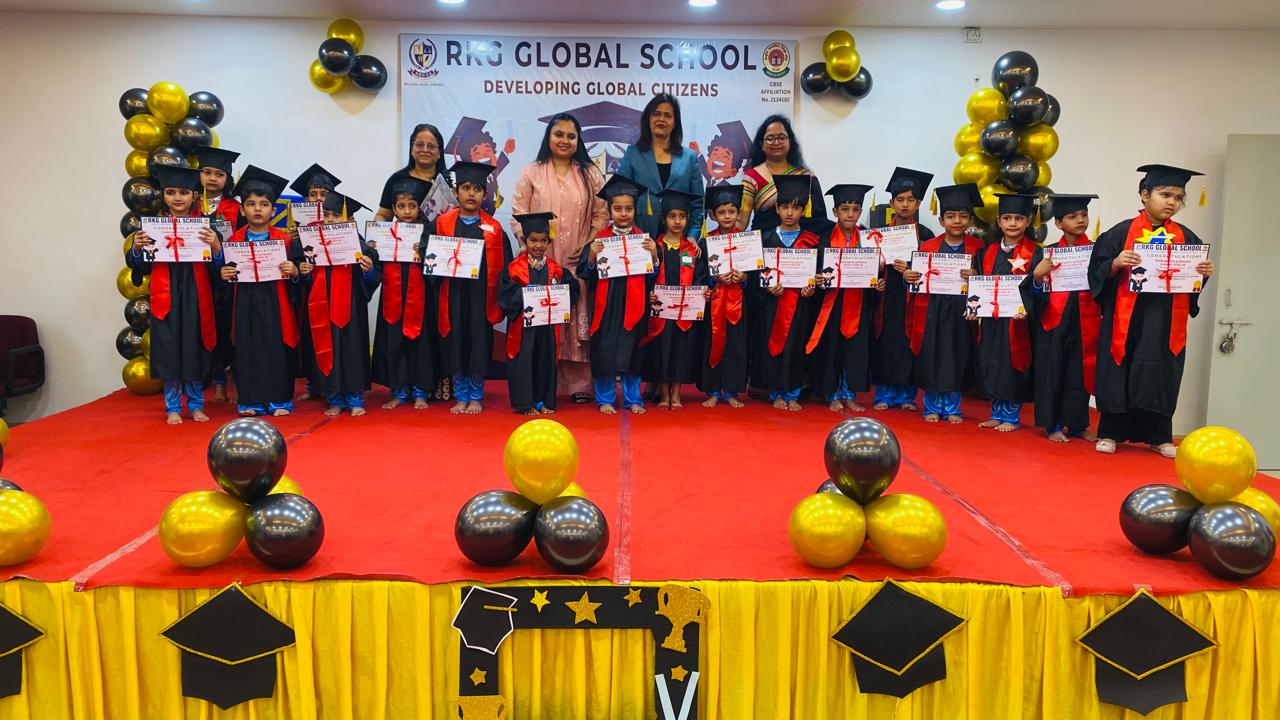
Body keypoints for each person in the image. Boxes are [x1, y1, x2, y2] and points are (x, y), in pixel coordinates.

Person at [1088, 165, 1215, 457]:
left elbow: (1191, 283)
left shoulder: (1187, 238)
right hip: (1125, 318)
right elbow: (1096, 273)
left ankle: (1159, 436)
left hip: (1164, 320)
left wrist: (1203, 273)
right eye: (1165, 194)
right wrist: (1115, 264)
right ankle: (1110, 433)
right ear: (1145, 195)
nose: (1172, 202)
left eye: (1178, 197)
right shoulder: (1120, 234)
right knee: (1120, 370)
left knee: (1160, 373)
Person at [509, 112, 609, 404]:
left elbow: (601, 214)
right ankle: (543, 382)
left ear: (578, 140)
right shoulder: (532, 172)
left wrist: (590, 243)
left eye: (571, 136)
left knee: (577, 316)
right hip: (540, 262)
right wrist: (532, 246)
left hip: (578, 261)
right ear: (548, 137)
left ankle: (579, 385)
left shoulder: (590, 174)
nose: (564, 140)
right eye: (559, 134)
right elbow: (518, 214)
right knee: (543, 319)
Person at [126, 165, 221, 424]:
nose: (177, 198)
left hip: (195, 294)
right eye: (170, 192)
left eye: (183, 192)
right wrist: (137, 248)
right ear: (163, 196)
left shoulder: (206, 227)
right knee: (169, 350)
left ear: (194, 196)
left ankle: (196, 404)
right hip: (165, 295)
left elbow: (219, 266)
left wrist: (215, 245)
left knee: (194, 349)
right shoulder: (152, 228)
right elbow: (140, 266)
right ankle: (172, 407)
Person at [427, 161, 512, 415]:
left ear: (484, 194)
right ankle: (460, 394)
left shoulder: (493, 228)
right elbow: (430, 258)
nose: (471, 193)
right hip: (452, 294)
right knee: (455, 343)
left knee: (478, 344)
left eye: (477, 189)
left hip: (480, 297)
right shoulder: (442, 223)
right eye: (465, 188)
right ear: (456, 192)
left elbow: (504, 265)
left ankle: (475, 395)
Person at [217, 166, 301, 417]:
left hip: (276, 300)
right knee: (247, 348)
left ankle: (279, 399)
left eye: (264, 204)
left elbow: (299, 274)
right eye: (251, 204)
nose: (257, 209)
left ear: (273, 211)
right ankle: (250, 401)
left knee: (276, 347)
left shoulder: (286, 241)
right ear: (242, 210)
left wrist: (294, 270)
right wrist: (224, 275)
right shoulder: (233, 241)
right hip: (244, 301)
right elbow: (224, 279)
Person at [578, 174, 660, 415]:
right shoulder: (599, 241)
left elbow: (652, 277)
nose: (623, 214)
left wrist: (654, 256)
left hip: (635, 303)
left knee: (634, 350)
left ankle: (633, 398)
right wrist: (591, 257)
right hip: (608, 304)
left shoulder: (644, 241)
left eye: (628, 209)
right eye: (617, 209)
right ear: (609, 210)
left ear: (635, 210)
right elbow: (585, 274)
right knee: (604, 351)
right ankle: (605, 398)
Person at [1024, 193, 1102, 442]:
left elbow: (1105, 284)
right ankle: (1053, 425)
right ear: (1058, 223)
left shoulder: (1096, 252)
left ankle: (1077, 425)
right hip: (1054, 320)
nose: (1080, 220)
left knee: (1078, 371)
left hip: (1085, 318)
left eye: (1084, 215)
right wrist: (1037, 276)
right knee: (1052, 370)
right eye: (1072, 216)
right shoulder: (1047, 253)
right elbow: (1032, 291)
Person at [905, 184, 983, 424]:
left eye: (963, 216)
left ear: (970, 219)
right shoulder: (927, 246)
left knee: (957, 355)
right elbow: (915, 280)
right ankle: (931, 405)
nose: (957, 221)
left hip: (962, 310)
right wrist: (909, 276)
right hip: (933, 308)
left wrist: (976, 276)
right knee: (932, 354)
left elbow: (986, 282)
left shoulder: (978, 248)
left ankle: (952, 407)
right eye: (950, 216)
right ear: (941, 220)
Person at [806, 184, 881, 413]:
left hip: (858, 301)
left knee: (855, 350)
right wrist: (818, 278)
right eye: (845, 209)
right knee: (832, 349)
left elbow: (877, 269)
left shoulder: (869, 238)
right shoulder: (824, 238)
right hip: (833, 302)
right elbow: (815, 269)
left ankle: (849, 394)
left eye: (855, 210)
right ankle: (832, 394)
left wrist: (878, 281)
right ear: (835, 211)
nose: (850, 214)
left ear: (860, 212)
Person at [305, 192, 379, 416]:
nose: (329, 220)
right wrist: (305, 270)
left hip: (352, 309)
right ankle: (334, 398)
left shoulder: (362, 248)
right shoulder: (314, 243)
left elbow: (373, 279)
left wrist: (368, 270)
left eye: (336, 215)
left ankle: (355, 398)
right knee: (328, 348)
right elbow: (307, 278)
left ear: (350, 220)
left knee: (353, 350)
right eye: (326, 214)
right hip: (324, 304)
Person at [750, 174, 819, 411]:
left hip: (800, 305)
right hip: (772, 304)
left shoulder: (812, 241)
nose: (790, 213)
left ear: (803, 210)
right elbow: (755, 274)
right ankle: (775, 392)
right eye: (785, 207)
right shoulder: (765, 239)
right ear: (777, 209)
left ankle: (793, 392)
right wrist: (766, 285)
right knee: (772, 345)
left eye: (796, 208)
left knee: (796, 347)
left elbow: (818, 275)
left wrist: (812, 288)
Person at [499, 212, 580, 414]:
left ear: (548, 242)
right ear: (525, 240)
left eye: (543, 240)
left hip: (546, 326)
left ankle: (543, 401)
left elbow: (571, 291)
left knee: (545, 360)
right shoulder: (514, 269)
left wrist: (559, 295)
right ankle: (525, 403)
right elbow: (506, 296)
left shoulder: (556, 270)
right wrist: (525, 293)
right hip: (523, 328)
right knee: (525, 361)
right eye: (533, 240)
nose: (538, 245)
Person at [871, 167, 935, 411]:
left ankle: (907, 396)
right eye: (900, 199)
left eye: (910, 200)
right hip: (886, 295)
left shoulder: (927, 236)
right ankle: (884, 394)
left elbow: (933, 271)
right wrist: (876, 275)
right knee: (886, 341)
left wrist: (910, 272)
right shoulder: (879, 234)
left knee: (909, 341)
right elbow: (866, 267)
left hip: (912, 297)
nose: (905, 205)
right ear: (892, 203)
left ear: (918, 203)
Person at [973, 193, 1038, 433]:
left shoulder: (1036, 253)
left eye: (1018, 218)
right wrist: (973, 307)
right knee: (991, 361)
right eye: (1007, 218)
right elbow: (980, 285)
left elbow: (1039, 289)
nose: (1012, 223)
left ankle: (1011, 415)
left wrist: (1027, 310)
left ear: (1028, 221)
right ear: (999, 222)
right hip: (992, 319)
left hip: (1017, 321)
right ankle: (995, 413)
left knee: (1012, 365)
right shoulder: (986, 252)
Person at [370, 174, 435, 410]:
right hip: (393, 297)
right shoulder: (384, 234)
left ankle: (420, 392)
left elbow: (437, 267)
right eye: (401, 206)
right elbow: (375, 267)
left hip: (421, 299)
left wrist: (425, 251)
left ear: (420, 207)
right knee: (394, 345)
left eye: (412, 205)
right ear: (394, 208)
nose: (407, 211)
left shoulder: (428, 233)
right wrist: (371, 252)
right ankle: (398, 391)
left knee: (421, 347)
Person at [642, 189, 709, 410]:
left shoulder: (692, 250)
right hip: (661, 312)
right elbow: (646, 276)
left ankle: (677, 394)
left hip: (684, 311)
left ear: (688, 219)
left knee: (681, 350)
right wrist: (649, 293)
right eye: (672, 216)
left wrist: (703, 292)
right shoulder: (655, 247)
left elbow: (700, 277)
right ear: (663, 219)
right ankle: (663, 394)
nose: (677, 221)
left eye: (682, 216)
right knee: (661, 350)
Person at [288, 163, 342, 404]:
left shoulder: (343, 226)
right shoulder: (298, 232)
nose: (319, 199)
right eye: (313, 194)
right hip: (309, 294)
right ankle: (314, 384)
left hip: (337, 294)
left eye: (324, 194)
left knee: (336, 340)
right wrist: (299, 268)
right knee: (311, 340)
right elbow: (293, 264)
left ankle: (336, 385)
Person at [617, 93, 705, 239]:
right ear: (648, 119)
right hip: (641, 237)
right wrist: (632, 237)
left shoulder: (689, 157)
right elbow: (620, 196)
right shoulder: (633, 153)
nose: (661, 119)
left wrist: (692, 237)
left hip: (680, 238)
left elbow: (698, 204)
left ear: (675, 123)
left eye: (668, 116)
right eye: (656, 114)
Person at [196, 145, 242, 404]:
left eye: (219, 174)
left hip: (229, 279)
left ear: (227, 178)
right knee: (208, 332)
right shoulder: (190, 206)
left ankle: (235, 383)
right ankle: (218, 384)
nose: (212, 178)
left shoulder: (236, 209)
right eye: (207, 172)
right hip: (199, 278)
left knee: (231, 332)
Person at [699, 185, 749, 408]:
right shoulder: (707, 242)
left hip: (739, 302)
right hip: (715, 302)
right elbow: (700, 273)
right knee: (712, 342)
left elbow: (757, 273)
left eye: (731, 211)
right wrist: (714, 278)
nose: (727, 216)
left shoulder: (747, 242)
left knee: (735, 345)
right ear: (712, 215)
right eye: (721, 212)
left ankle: (731, 391)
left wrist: (744, 277)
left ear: (738, 213)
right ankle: (713, 390)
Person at [739, 115, 827, 234]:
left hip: (799, 242)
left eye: (781, 137)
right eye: (770, 138)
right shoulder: (751, 177)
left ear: (790, 142)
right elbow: (741, 223)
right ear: (761, 144)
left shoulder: (806, 177)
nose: (776, 142)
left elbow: (819, 220)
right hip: (764, 241)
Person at [376, 123, 449, 221]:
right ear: (412, 149)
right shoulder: (397, 179)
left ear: (439, 152)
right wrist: (379, 228)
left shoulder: (449, 181)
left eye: (431, 146)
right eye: (419, 145)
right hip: (404, 231)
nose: (425, 149)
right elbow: (382, 215)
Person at [446, 116, 515, 215]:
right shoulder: (459, 175)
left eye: (488, 149)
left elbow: (497, 165)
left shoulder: (490, 173)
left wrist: (506, 151)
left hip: (487, 214)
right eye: (477, 151)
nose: (484, 154)